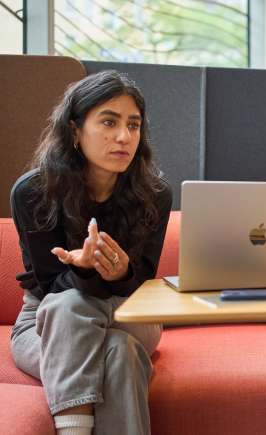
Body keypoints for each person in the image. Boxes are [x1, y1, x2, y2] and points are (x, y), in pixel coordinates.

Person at [10, 70, 173, 435]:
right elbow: (51, 287)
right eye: (109, 122)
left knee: (82, 312)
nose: (123, 137)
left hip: (129, 312)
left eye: (134, 125)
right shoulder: (34, 192)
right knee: (113, 347)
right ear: (74, 130)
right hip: (45, 321)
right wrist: (82, 273)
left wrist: (121, 273)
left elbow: (142, 285)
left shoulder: (155, 194)